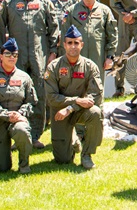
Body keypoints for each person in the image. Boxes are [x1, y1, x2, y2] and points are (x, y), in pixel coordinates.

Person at [0, 0, 60, 149]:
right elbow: (1, 29)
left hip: (39, 56)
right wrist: (3, 54)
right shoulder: (9, 2)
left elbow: (53, 29)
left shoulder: (44, 2)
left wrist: (53, 52)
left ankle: (35, 134)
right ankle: (17, 133)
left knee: (38, 94)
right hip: (16, 57)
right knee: (16, 94)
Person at [44, 26, 104, 169]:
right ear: (64, 45)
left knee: (95, 113)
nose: (73, 46)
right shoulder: (53, 67)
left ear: (81, 45)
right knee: (63, 160)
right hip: (60, 113)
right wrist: (76, 100)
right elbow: (51, 98)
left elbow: (95, 94)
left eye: (76, 43)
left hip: (80, 110)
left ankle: (87, 155)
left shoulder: (90, 66)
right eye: (69, 43)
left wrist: (72, 107)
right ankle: (74, 140)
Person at [0, 38, 38, 174]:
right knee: (1, 168)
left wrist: (20, 114)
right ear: (1, 56)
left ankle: (24, 163)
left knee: (22, 131)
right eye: (8, 54)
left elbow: (31, 101)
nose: (11, 57)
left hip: (18, 119)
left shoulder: (24, 77)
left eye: (15, 55)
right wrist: (7, 115)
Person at [62, 0, 117, 83]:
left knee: (97, 85)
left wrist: (110, 56)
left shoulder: (105, 11)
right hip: (76, 55)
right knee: (77, 85)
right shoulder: (72, 11)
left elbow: (112, 35)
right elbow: (64, 35)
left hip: (98, 55)